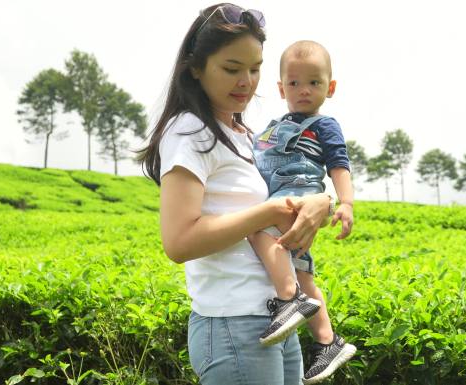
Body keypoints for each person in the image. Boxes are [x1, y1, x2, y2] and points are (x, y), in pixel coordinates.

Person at [139, 4, 334, 384]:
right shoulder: (189, 131)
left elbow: (284, 202)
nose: (246, 81)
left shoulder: (245, 136)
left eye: (255, 68)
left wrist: (321, 202)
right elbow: (178, 242)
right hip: (234, 324)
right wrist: (267, 213)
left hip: (278, 317)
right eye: (231, 69)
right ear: (195, 69)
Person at [248, 40, 357, 384]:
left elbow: (339, 165)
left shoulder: (325, 126)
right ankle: (328, 341)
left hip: (300, 192)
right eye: (294, 83)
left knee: (258, 230)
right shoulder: (270, 126)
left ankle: (288, 299)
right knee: (302, 269)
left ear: (331, 87)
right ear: (281, 88)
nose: (304, 91)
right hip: (283, 194)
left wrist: (346, 203)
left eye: (314, 82)